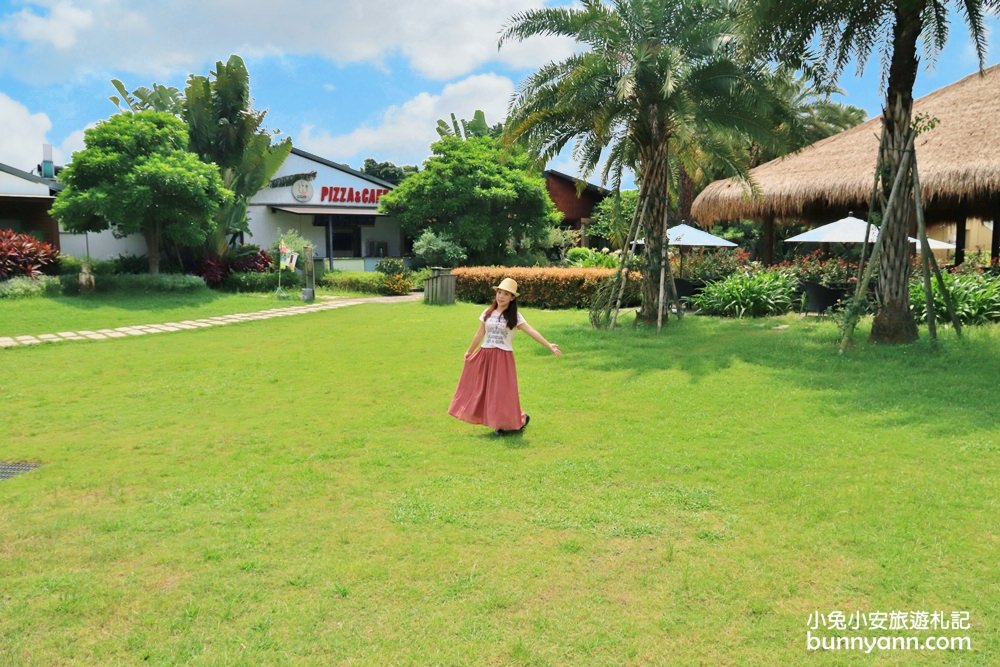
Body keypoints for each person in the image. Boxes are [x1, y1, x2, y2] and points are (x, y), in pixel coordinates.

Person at [448, 277, 562, 435]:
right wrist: (469, 350)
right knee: (482, 389)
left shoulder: (515, 317)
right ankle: (499, 422)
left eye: (506, 294)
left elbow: (531, 331)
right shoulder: (488, 312)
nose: (501, 296)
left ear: (512, 298)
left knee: (501, 392)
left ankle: (510, 422)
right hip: (485, 354)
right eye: (499, 292)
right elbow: (480, 332)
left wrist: (549, 345)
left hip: (503, 357)